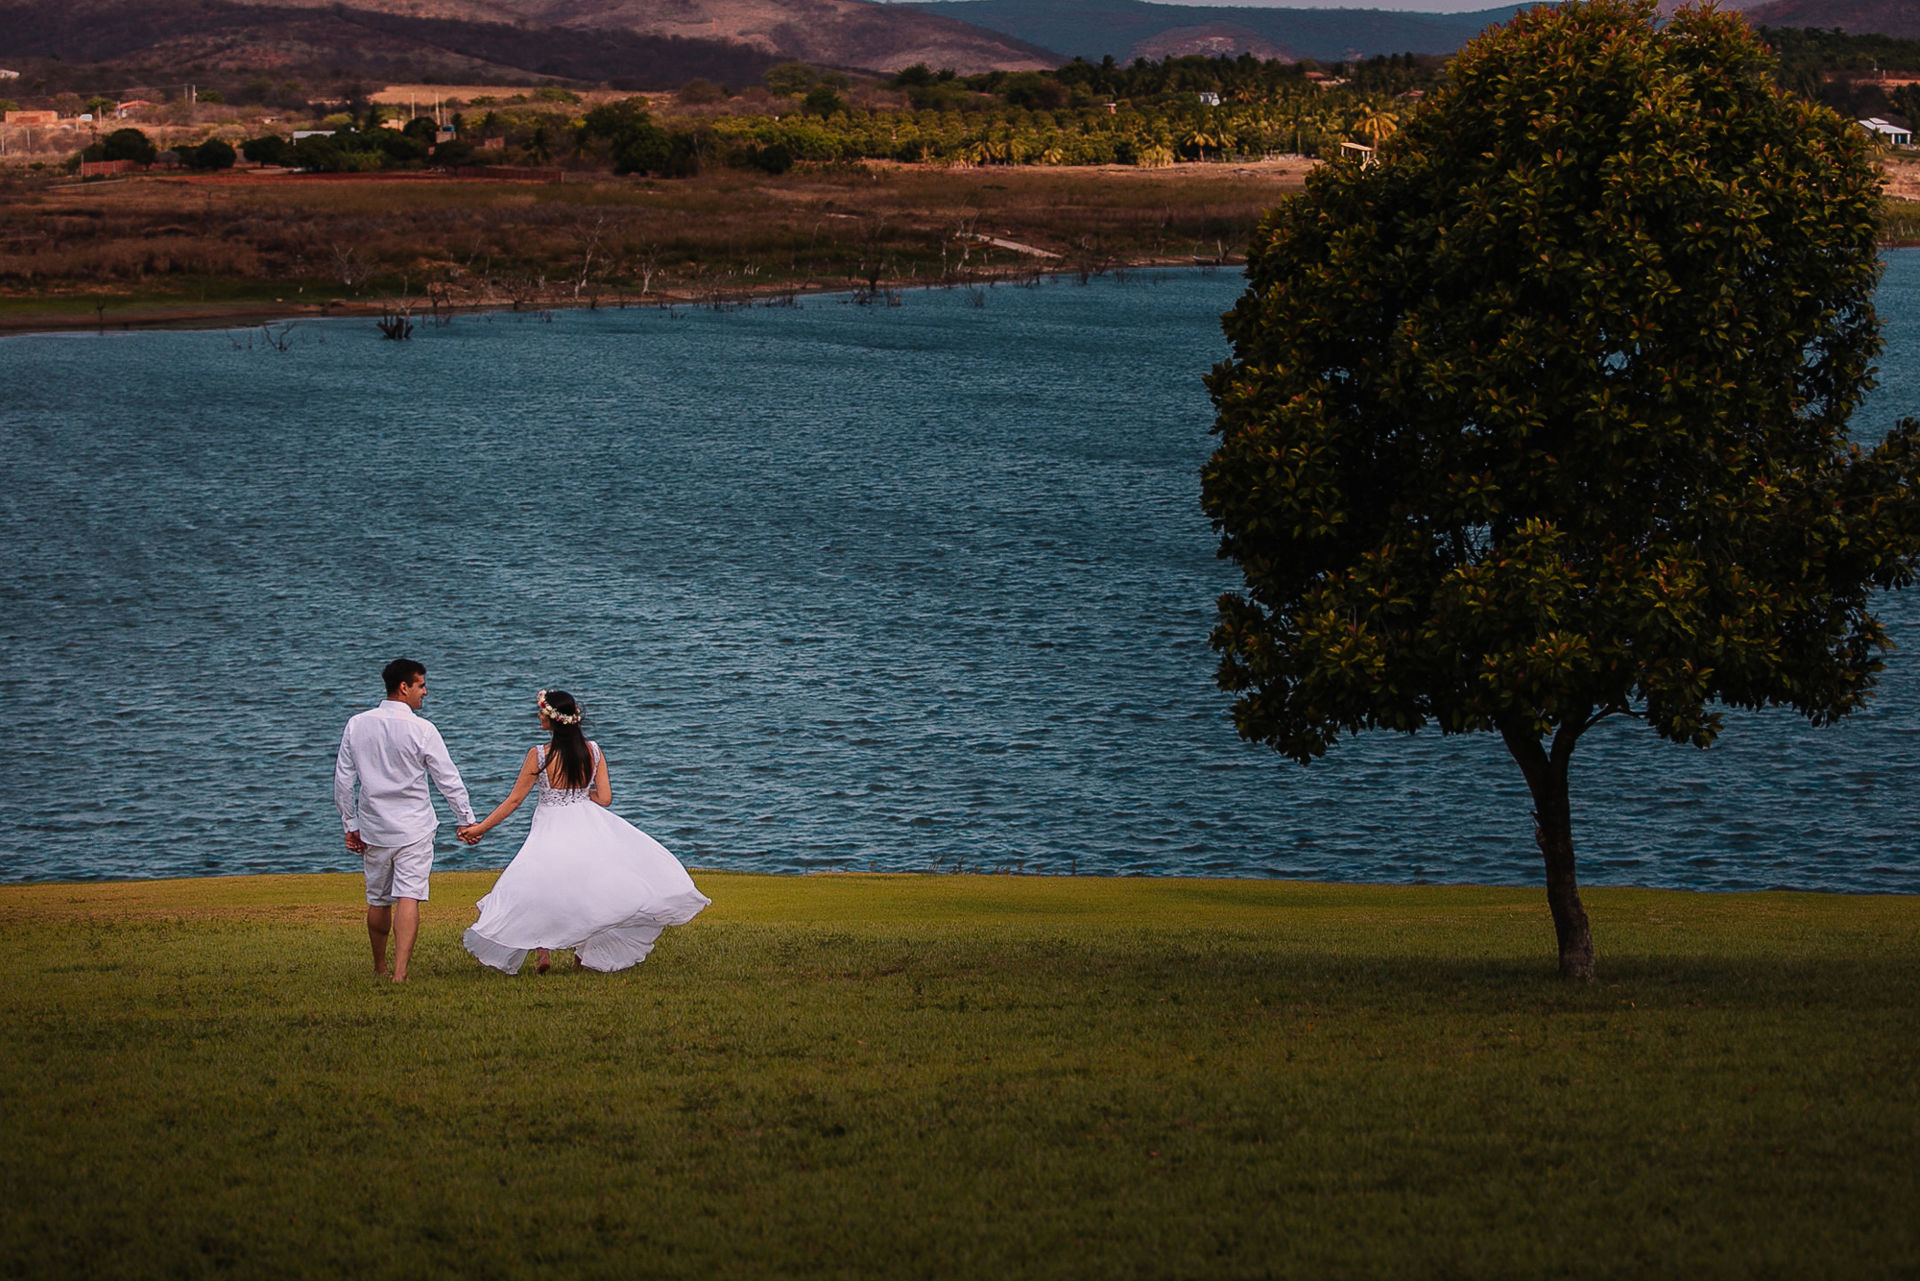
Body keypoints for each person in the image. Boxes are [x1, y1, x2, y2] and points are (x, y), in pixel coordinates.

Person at [458, 688, 709, 974]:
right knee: (589, 890)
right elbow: (604, 798)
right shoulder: (593, 751)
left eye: (542, 711)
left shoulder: (539, 755)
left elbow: (514, 801)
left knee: (541, 886)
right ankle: (581, 955)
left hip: (551, 825)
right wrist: (579, 794)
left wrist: (479, 828)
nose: (538, 715)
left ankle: (543, 952)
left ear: (553, 718)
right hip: (587, 823)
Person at [334, 658, 479, 983]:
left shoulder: (357, 724)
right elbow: (447, 778)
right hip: (414, 827)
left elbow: (343, 780)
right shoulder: (422, 729)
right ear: (404, 687)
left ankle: (380, 966)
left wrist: (350, 824)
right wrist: (466, 819)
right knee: (408, 895)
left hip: (374, 827)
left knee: (378, 899)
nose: (425, 692)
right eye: (421, 685)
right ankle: (400, 973)